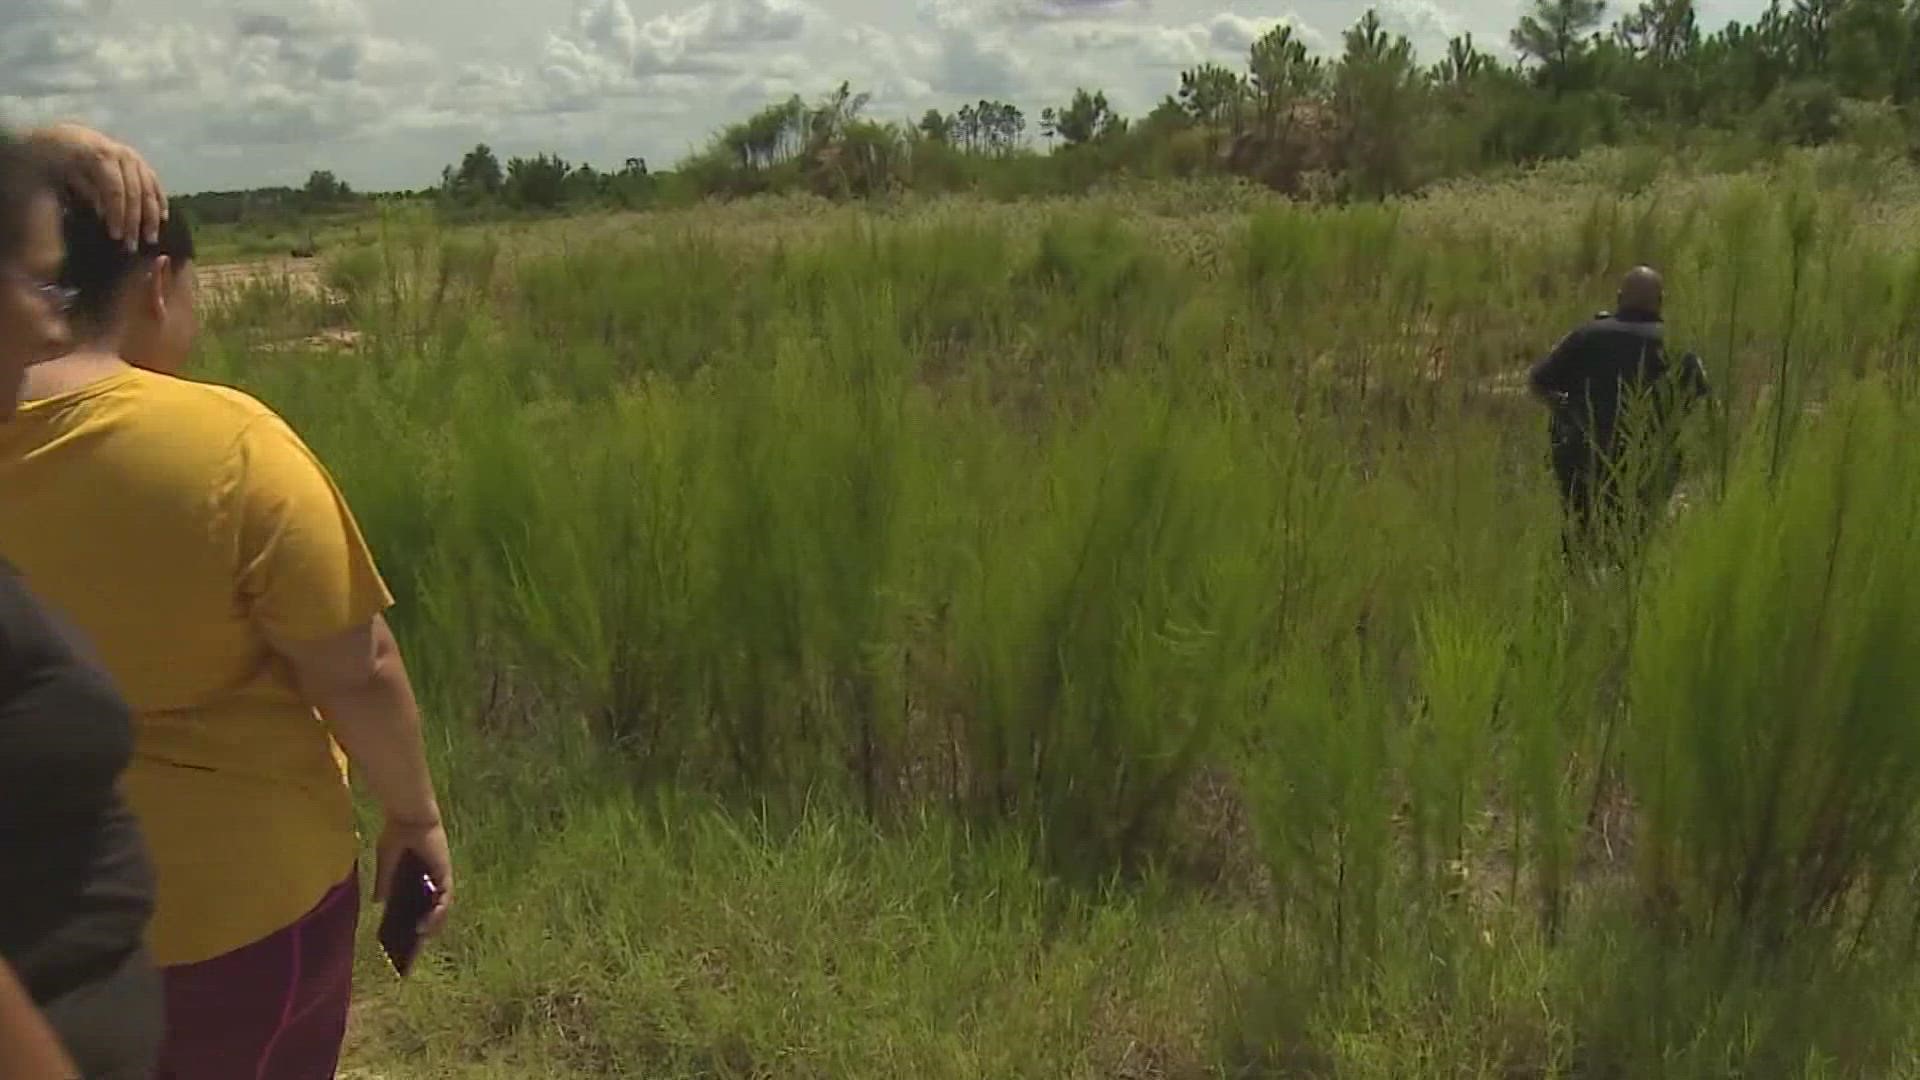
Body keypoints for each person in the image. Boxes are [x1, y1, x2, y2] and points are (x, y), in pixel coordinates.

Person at [0, 192, 455, 1078]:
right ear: (159, 286)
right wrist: (414, 813)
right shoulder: (227, 445)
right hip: (238, 922)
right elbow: (357, 668)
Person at [0, 127, 172, 1079]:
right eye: (36, 282)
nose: (54, 324)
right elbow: (362, 662)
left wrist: (37, 148)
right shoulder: (234, 442)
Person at [1529, 265, 1712, 561]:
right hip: (1648, 460)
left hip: (1583, 457)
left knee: (1580, 536)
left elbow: (1538, 383)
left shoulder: (1586, 336)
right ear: (1661, 301)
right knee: (1637, 540)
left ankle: (1576, 591)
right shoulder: (1676, 346)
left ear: (1618, 298)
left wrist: (1565, 411)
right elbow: (1699, 400)